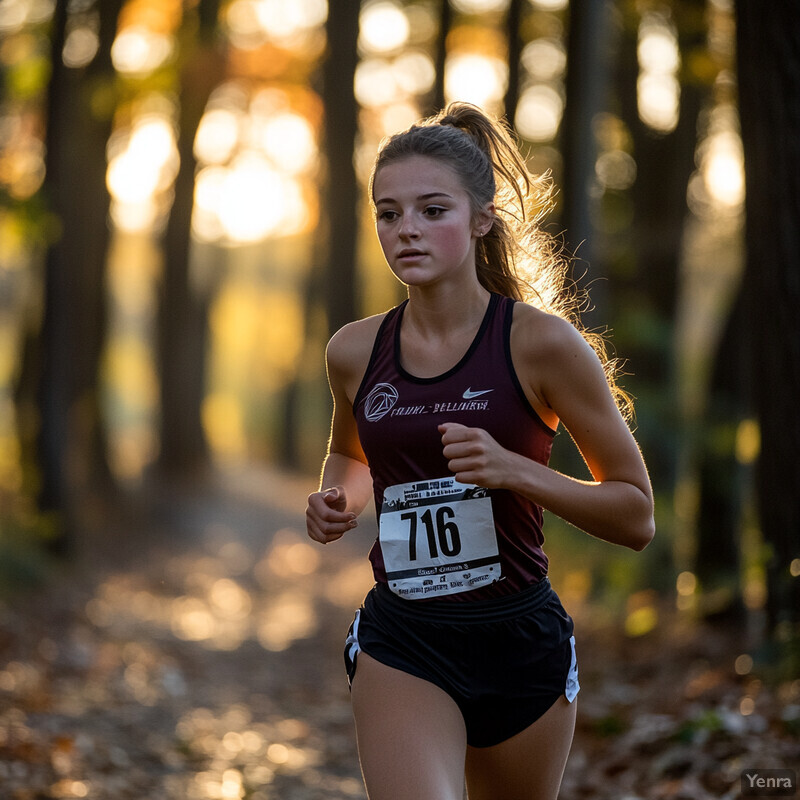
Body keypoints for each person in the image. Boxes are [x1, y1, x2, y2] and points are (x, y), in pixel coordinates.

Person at [306, 101, 654, 800]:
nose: (406, 229)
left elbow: (636, 515)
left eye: (432, 210)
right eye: (388, 213)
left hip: (520, 641)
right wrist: (336, 501)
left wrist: (516, 472)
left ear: (482, 218)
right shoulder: (354, 350)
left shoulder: (542, 345)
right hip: (405, 639)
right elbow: (353, 459)